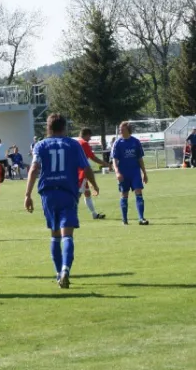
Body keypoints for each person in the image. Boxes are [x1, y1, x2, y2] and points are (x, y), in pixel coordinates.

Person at [24, 114, 100, 288]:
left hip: (48, 194)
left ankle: (59, 273)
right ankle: (66, 269)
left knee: (55, 235)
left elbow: (34, 168)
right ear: (64, 127)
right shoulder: (73, 144)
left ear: (48, 128)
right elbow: (86, 167)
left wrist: (27, 194)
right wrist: (94, 184)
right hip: (68, 193)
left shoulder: (40, 145)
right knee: (67, 235)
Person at [112, 122, 149, 226]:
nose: (120, 131)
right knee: (124, 194)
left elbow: (140, 158)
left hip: (135, 173)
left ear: (128, 130)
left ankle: (141, 218)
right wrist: (117, 172)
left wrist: (144, 173)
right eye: (120, 129)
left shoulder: (136, 142)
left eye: (122, 129)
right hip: (123, 173)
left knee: (139, 192)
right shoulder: (118, 143)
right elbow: (114, 160)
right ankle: (125, 220)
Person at [77, 128, 110, 219]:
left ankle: (94, 214)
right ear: (86, 134)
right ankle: (68, 214)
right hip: (81, 173)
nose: (90, 139)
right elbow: (93, 157)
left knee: (87, 193)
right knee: (77, 195)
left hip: (77, 172)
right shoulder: (84, 143)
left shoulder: (75, 142)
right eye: (90, 136)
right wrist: (105, 164)